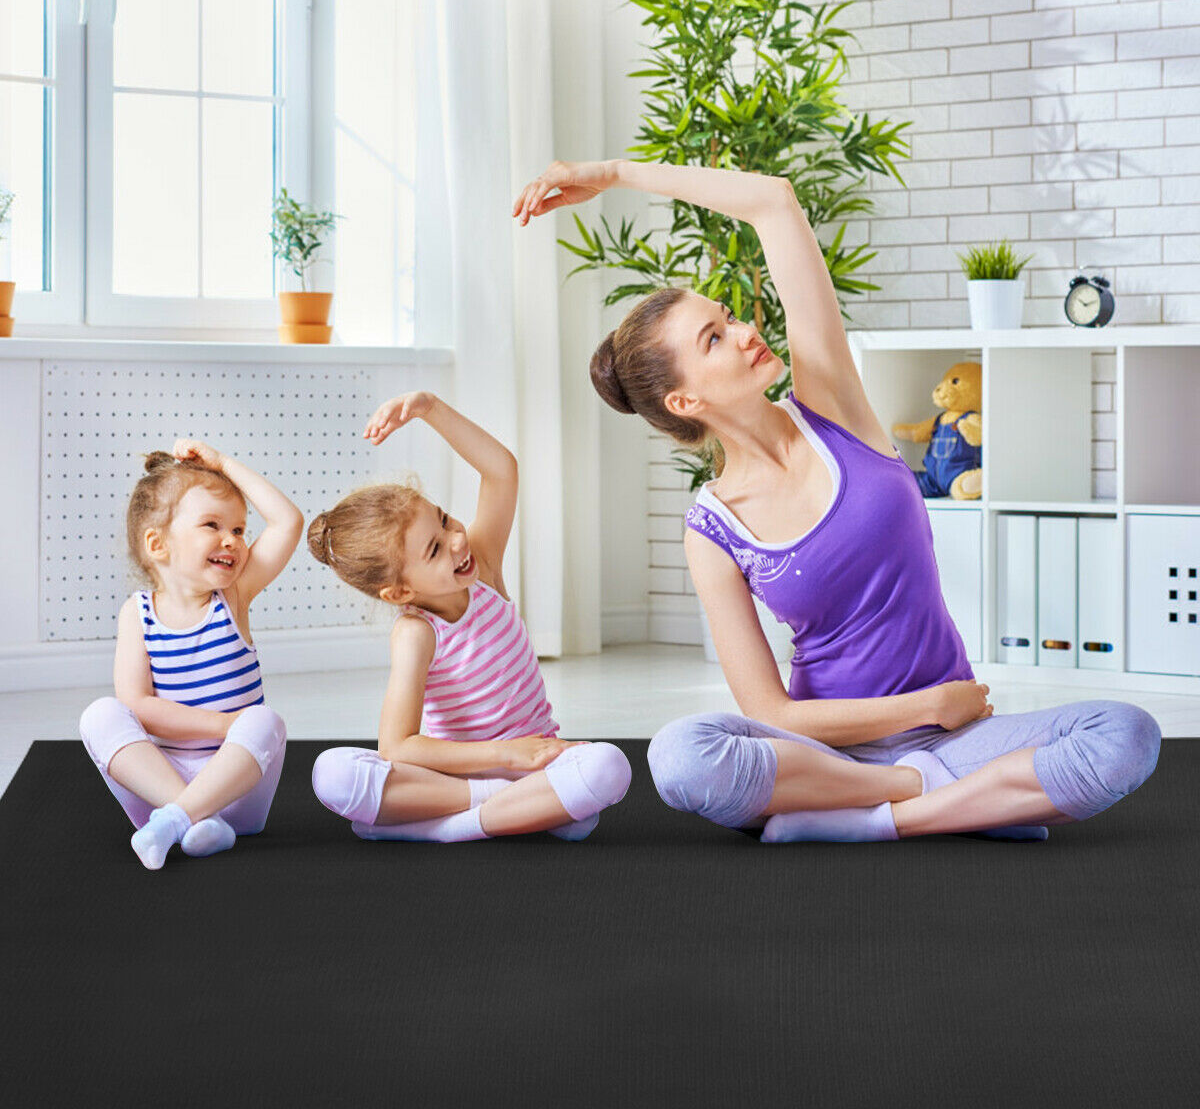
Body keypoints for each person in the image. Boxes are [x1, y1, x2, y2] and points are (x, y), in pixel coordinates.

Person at [514, 158, 1160, 842]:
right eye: (714, 339)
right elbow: (771, 712)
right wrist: (929, 705)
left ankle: (860, 820)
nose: (743, 331)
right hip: (831, 750)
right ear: (685, 401)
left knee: (1126, 737)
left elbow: (774, 203)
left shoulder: (831, 405)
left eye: (727, 317)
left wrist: (614, 173)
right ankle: (931, 802)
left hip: (948, 740)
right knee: (681, 756)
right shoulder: (712, 529)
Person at [307, 391, 631, 842]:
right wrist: (507, 756)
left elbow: (501, 470)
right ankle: (493, 812)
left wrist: (429, 409)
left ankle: (439, 827)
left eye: (444, 520)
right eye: (435, 549)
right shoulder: (416, 633)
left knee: (608, 768)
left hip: (536, 766)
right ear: (401, 590)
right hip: (464, 778)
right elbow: (397, 746)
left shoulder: (484, 568)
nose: (456, 540)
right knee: (333, 774)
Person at [79, 442, 301, 868]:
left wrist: (224, 465)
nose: (232, 540)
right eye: (212, 525)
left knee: (264, 721)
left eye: (239, 530)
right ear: (158, 544)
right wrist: (220, 724)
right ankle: (190, 820)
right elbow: (137, 705)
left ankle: (175, 822)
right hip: (158, 787)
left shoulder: (232, 596)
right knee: (99, 715)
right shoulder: (137, 614)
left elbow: (288, 521)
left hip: (236, 789)